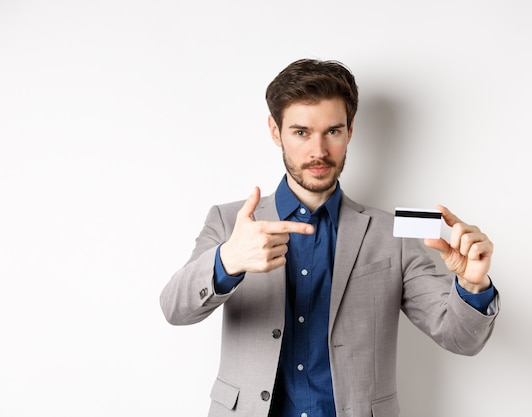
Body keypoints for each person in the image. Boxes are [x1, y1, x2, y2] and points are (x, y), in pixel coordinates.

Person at [160, 58, 499, 417]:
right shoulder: (231, 222)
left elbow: (461, 339)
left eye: (332, 132)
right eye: (301, 132)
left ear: (350, 130)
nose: (318, 151)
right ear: (276, 132)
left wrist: (472, 286)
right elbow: (174, 309)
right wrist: (228, 260)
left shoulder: (392, 233)